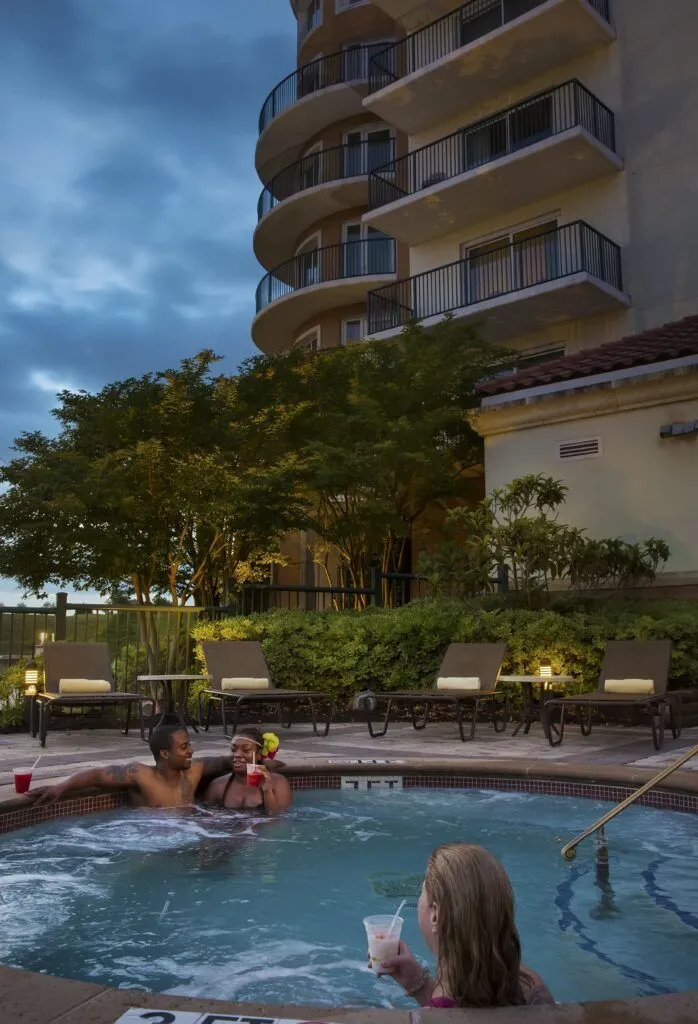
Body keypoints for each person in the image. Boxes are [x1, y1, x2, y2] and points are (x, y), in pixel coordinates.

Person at [376, 843, 554, 1009]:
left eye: (422, 891)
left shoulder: (435, 1017)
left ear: (436, 915)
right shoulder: (528, 982)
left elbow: (449, 1010)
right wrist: (417, 984)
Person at [32, 724, 236, 809]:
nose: (191, 751)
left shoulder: (195, 771)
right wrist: (61, 787)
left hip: (187, 838)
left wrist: (256, 758)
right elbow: (97, 775)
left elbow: (226, 761)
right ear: (165, 754)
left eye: (189, 745)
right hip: (150, 840)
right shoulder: (140, 775)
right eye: (184, 747)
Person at [203, 727, 292, 815]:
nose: (237, 754)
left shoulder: (278, 783)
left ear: (259, 754)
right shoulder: (217, 786)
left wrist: (267, 792)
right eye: (233, 750)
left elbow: (279, 822)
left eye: (246, 750)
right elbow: (206, 820)